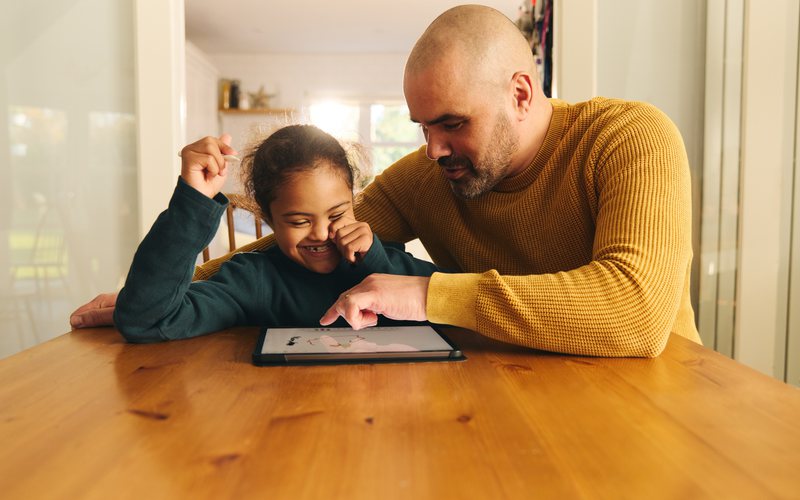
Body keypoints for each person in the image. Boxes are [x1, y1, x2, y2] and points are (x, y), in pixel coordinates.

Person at [72, 4, 700, 357]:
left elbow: (636, 314)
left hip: (647, 398)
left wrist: (428, 296)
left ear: (519, 92)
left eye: (452, 123)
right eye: (423, 125)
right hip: (512, 393)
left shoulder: (629, 139)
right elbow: (310, 242)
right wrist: (163, 290)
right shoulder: (429, 175)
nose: (433, 149)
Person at [111, 125, 440, 342]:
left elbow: (461, 306)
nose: (323, 233)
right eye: (299, 221)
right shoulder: (253, 281)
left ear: (355, 202)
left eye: (338, 214)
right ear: (268, 218)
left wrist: (379, 263)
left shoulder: (393, 266)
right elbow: (147, 322)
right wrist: (192, 203)